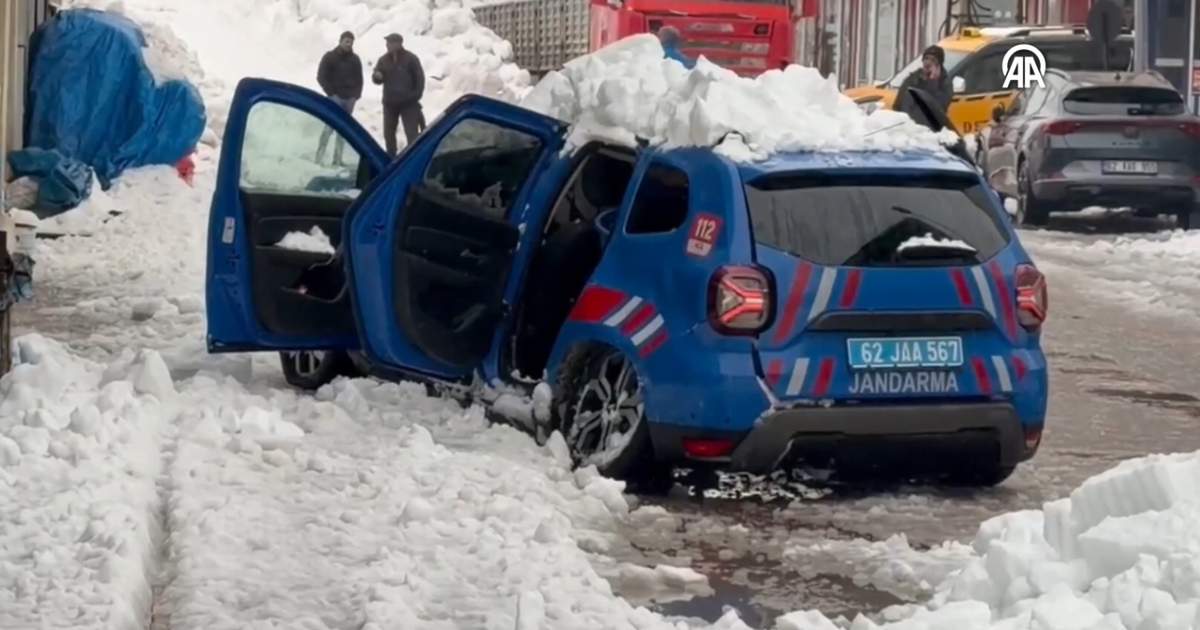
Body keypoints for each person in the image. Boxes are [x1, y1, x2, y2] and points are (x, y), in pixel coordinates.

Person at [373, 33, 426, 156]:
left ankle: (414, 157)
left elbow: (420, 79)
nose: (387, 45)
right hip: (390, 103)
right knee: (389, 134)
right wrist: (377, 77)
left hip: (408, 103)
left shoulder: (411, 59)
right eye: (387, 42)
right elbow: (377, 77)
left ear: (399, 43)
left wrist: (415, 96)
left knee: (412, 134)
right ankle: (391, 158)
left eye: (390, 42)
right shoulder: (383, 60)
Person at [316, 31, 364, 166]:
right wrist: (330, 93)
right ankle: (319, 156)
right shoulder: (330, 57)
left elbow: (360, 79)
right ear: (340, 41)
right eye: (346, 41)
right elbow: (321, 76)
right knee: (329, 127)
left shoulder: (355, 60)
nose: (348, 44)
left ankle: (337, 158)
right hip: (335, 97)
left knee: (344, 131)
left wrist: (356, 95)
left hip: (350, 99)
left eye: (351, 42)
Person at [893, 45, 952, 130]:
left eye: (933, 60)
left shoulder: (945, 83)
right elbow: (898, 104)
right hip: (909, 127)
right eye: (926, 58)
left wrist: (932, 81)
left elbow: (938, 107)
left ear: (939, 64)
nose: (928, 63)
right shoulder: (913, 78)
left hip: (931, 129)